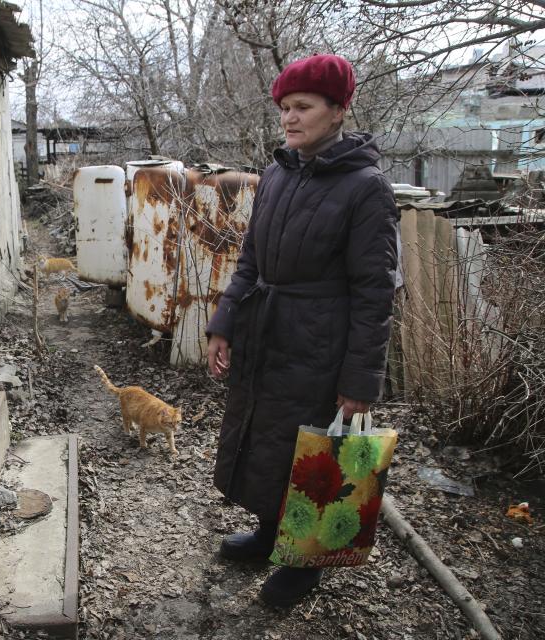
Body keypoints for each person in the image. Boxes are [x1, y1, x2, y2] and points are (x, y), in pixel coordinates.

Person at [205, 54, 399, 607]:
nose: (290, 119)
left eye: (304, 107)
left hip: (322, 343)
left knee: (318, 455)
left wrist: (360, 381)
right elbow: (250, 261)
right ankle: (271, 535)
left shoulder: (367, 189)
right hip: (269, 333)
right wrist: (225, 324)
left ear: (339, 110)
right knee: (270, 443)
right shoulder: (276, 174)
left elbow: (374, 292)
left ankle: (304, 565)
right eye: (285, 107)